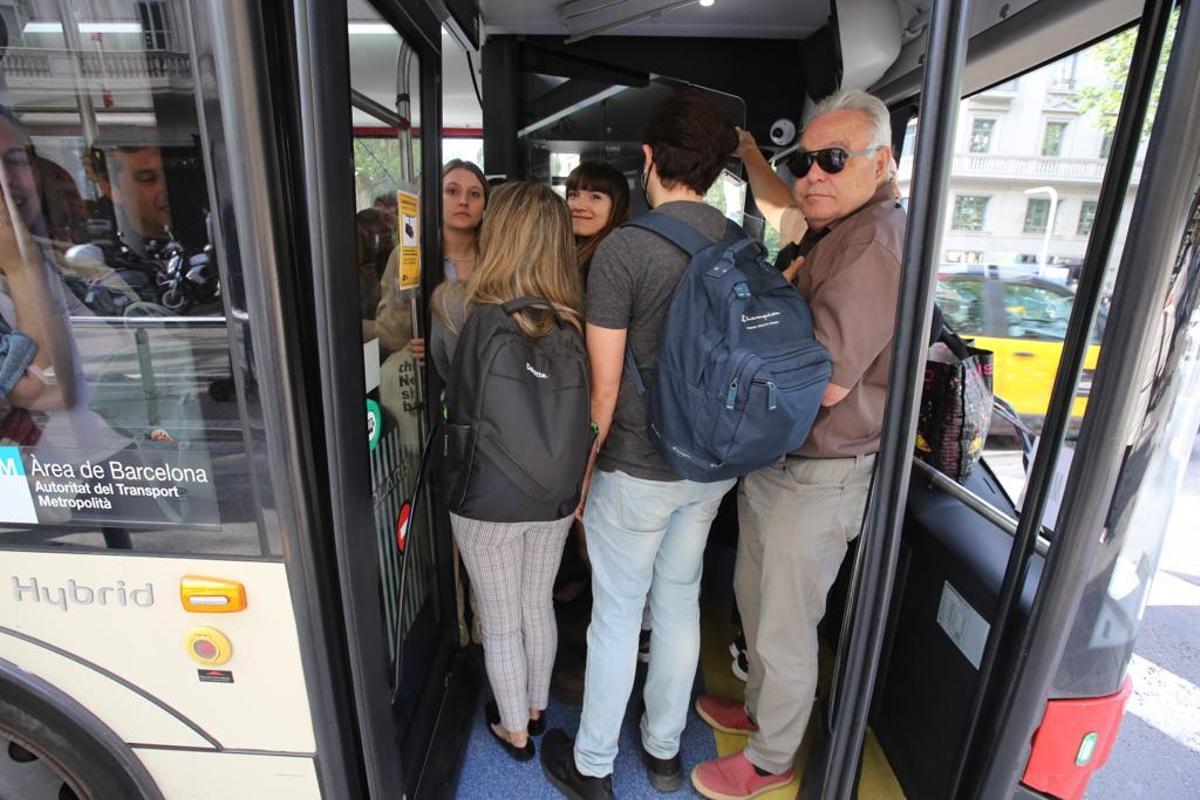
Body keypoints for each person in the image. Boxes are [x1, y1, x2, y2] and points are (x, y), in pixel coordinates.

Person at [691, 88, 904, 800]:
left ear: (883, 164)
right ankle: (760, 714)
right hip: (782, 463)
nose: (813, 174)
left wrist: (721, 372)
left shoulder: (875, 242)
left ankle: (771, 757)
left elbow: (824, 383)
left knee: (782, 627)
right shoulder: (832, 228)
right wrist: (753, 154)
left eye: (833, 159)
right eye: (807, 159)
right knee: (756, 604)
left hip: (821, 473)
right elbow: (782, 203)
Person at [540, 89, 739, 799]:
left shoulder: (626, 249)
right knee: (679, 601)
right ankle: (662, 754)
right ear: (717, 168)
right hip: (712, 466)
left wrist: (581, 475)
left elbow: (603, 387)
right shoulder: (743, 246)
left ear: (648, 157)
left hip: (636, 464)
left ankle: (593, 765)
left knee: (617, 614)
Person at [428, 181, 584, 761]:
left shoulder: (456, 302)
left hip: (484, 490)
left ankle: (513, 728)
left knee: (498, 619)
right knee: (536, 603)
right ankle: (538, 708)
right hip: (554, 492)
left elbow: (449, 379)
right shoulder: (573, 313)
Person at [552, 161, 632, 701]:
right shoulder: (570, 255)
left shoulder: (608, 260)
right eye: (575, 192)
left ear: (617, 207)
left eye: (595, 197)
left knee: (595, 528)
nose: (580, 203)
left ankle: (599, 656)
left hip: (602, 415)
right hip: (580, 407)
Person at [377, 159, 488, 366]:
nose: (464, 201)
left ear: (485, 205)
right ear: (434, 199)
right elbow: (389, 335)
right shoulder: (407, 255)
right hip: (431, 385)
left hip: (487, 378)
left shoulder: (496, 256)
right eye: (452, 191)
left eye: (474, 194)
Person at [566, 161, 631, 280]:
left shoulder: (614, 260)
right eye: (573, 195)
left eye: (595, 197)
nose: (578, 206)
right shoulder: (562, 251)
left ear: (617, 206)